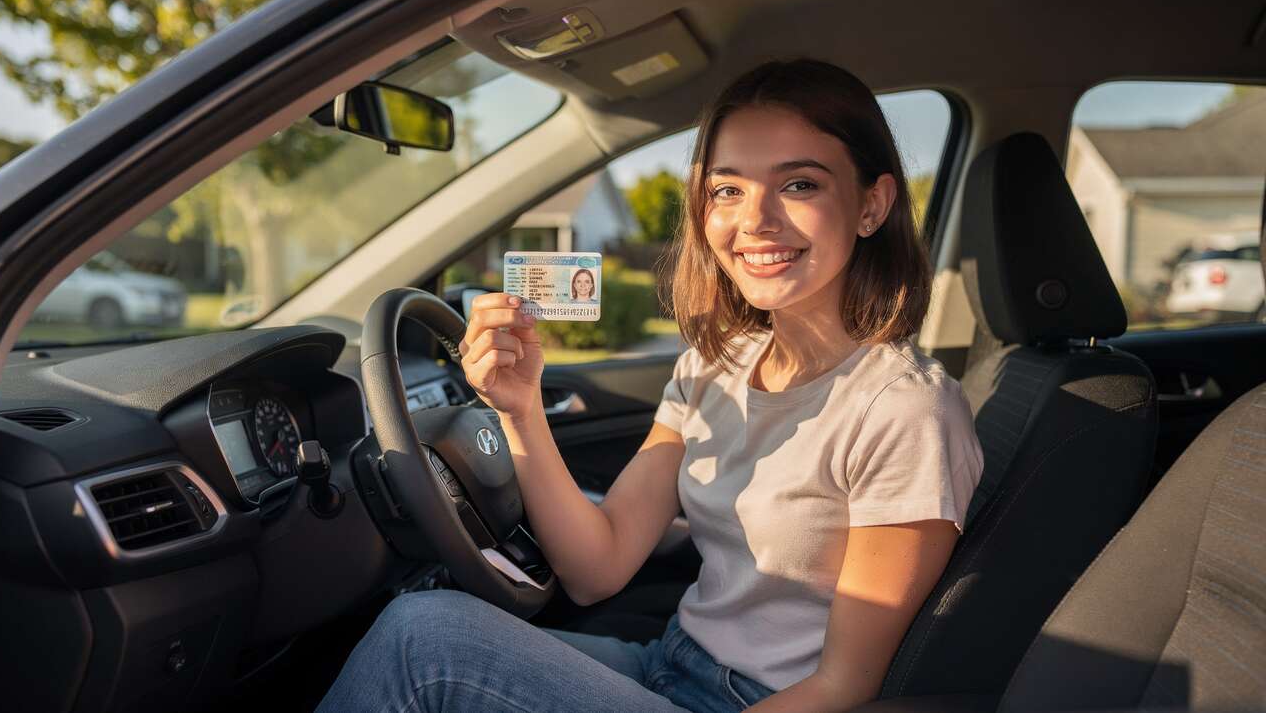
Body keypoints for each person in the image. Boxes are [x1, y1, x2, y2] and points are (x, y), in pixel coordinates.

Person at [318, 59, 983, 713]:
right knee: (417, 615)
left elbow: (844, 688)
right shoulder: (713, 366)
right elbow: (597, 567)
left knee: (422, 642)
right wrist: (519, 410)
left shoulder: (905, 410)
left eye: (800, 185)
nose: (755, 220)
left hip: (754, 703)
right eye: (727, 189)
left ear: (872, 204)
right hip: (665, 663)